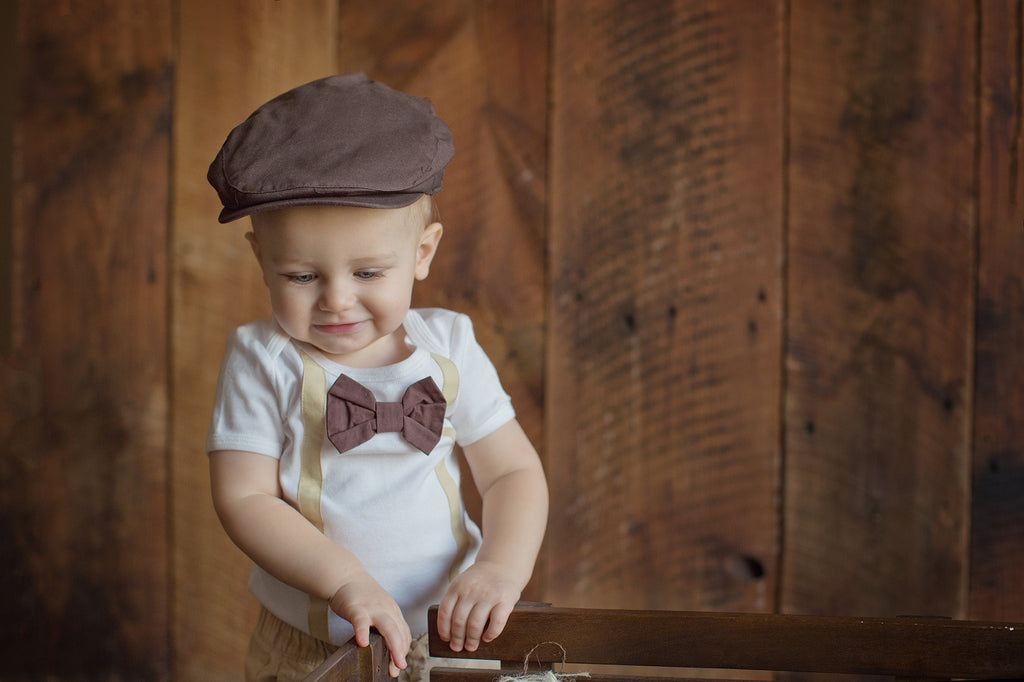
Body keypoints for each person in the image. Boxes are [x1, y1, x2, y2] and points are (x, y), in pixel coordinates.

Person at [205, 73, 549, 682]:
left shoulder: (449, 346)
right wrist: (344, 580)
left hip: (453, 631)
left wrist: (501, 567)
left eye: (368, 272)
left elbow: (512, 472)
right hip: (317, 639)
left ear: (422, 252)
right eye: (302, 277)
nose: (338, 300)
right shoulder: (263, 359)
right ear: (262, 259)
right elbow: (244, 496)